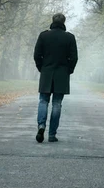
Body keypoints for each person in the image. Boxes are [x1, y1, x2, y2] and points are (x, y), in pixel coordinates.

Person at [33, 13, 78, 143]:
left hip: (46, 72)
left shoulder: (44, 35)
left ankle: (41, 126)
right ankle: (52, 134)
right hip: (62, 74)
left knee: (43, 101)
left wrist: (41, 68)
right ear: (64, 22)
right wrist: (69, 70)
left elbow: (37, 55)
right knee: (57, 104)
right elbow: (74, 57)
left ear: (52, 21)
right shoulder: (69, 37)